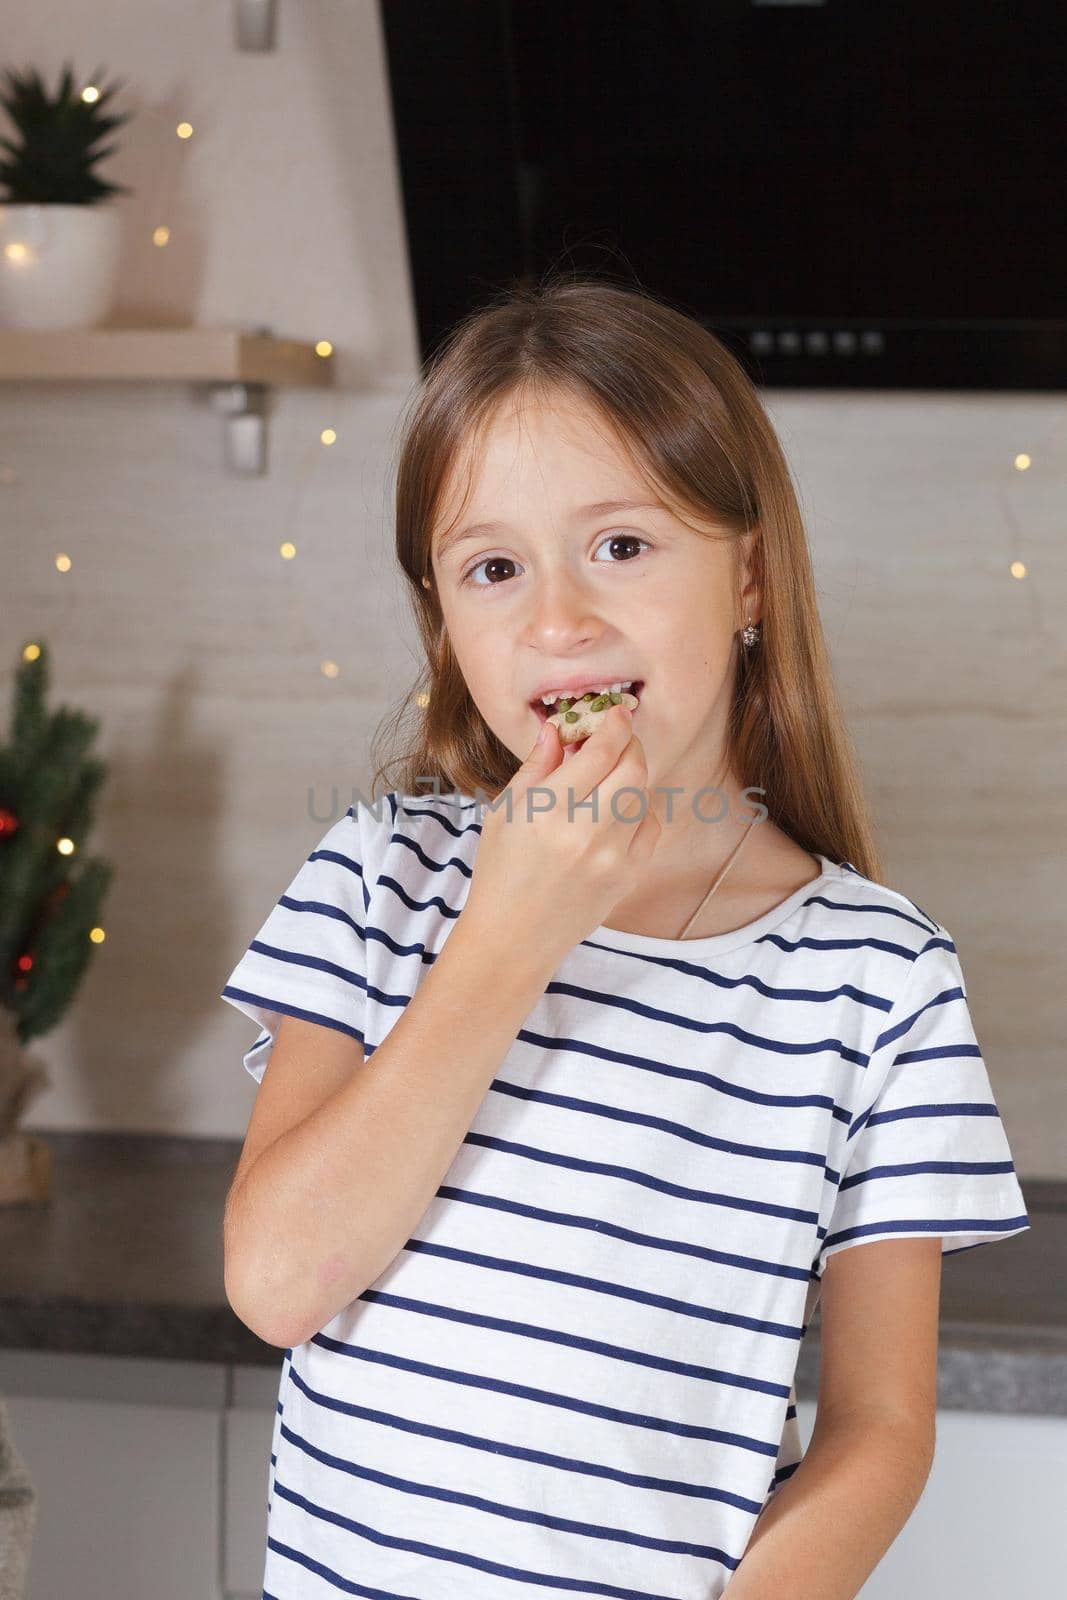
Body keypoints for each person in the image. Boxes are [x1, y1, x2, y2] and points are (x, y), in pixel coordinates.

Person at [220, 275, 1030, 1600]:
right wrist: (507, 935)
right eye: (494, 568)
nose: (559, 619)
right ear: (448, 624)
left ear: (749, 574)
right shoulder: (376, 880)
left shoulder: (879, 982)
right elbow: (278, 1283)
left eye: (622, 546)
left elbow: (881, 1432)